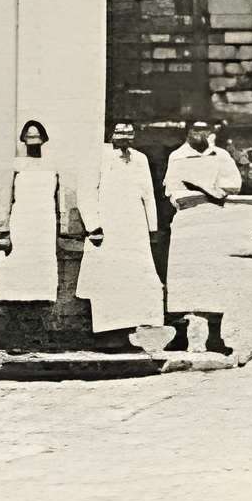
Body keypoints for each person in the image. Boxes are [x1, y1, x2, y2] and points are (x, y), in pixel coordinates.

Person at [0, 119, 82, 341]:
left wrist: (62, 227)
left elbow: (60, 198)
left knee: (41, 273)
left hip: (43, 225)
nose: (33, 140)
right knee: (15, 273)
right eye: (28, 137)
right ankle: (13, 327)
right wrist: (4, 229)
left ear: (43, 139)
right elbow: (4, 199)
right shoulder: (15, 165)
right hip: (21, 223)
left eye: (36, 136)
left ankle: (38, 327)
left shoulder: (53, 165)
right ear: (23, 139)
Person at [79, 120, 166, 350]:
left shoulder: (140, 159)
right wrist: (93, 226)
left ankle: (128, 332)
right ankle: (106, 335)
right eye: (120, 132)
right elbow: (86, 193)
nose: (125, 137)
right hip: (108, 229)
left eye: (129, 133)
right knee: (108, 278)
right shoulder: (97, 157)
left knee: (135, 279)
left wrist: (152, 228)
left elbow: (148, 194)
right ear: (111, 134)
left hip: (134, 229)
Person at [159, 119, 242, 354]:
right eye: (196, 129)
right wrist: (187, 197)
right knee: (185, 278)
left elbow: (233, 185)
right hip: (187, 220)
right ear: (188, 132)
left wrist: (209, 191)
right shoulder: (177, 157)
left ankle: (215, 336)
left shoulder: (222, 156)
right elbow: (171, 188)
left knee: (214, 277)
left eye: (205, 129)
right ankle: (182, 335)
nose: (200, 134)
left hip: (215, 220)